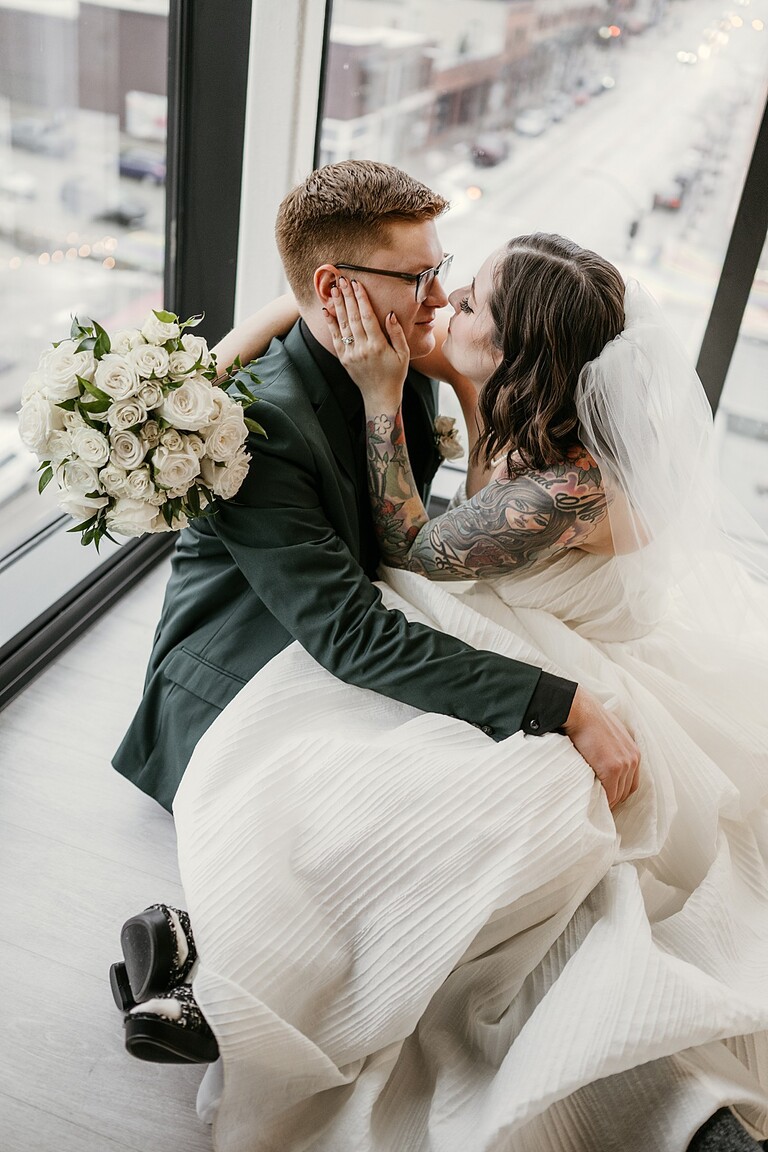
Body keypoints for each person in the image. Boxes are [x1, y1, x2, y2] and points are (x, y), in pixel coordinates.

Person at [113, 229, 768, 1152]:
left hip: (566, 651)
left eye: (469, 303)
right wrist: (196, 393)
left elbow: (412, 549)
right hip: (508, 628)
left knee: (516, 829)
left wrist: (383, 400)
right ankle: (238, 963)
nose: (444, 302)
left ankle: (240, 974)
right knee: (418, 792)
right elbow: (307, 304)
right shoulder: (515, 391)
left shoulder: (566, 490)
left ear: (512, 355)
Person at [112, 161, 638, 815]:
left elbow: (412, 544)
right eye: (420, 277)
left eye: (443, 271)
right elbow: (350, 632)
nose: (442, 299)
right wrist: (564, 704)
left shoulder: (404, 348)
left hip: (397, 615)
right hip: (255, 666)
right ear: (335, 289)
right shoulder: (251, 428)